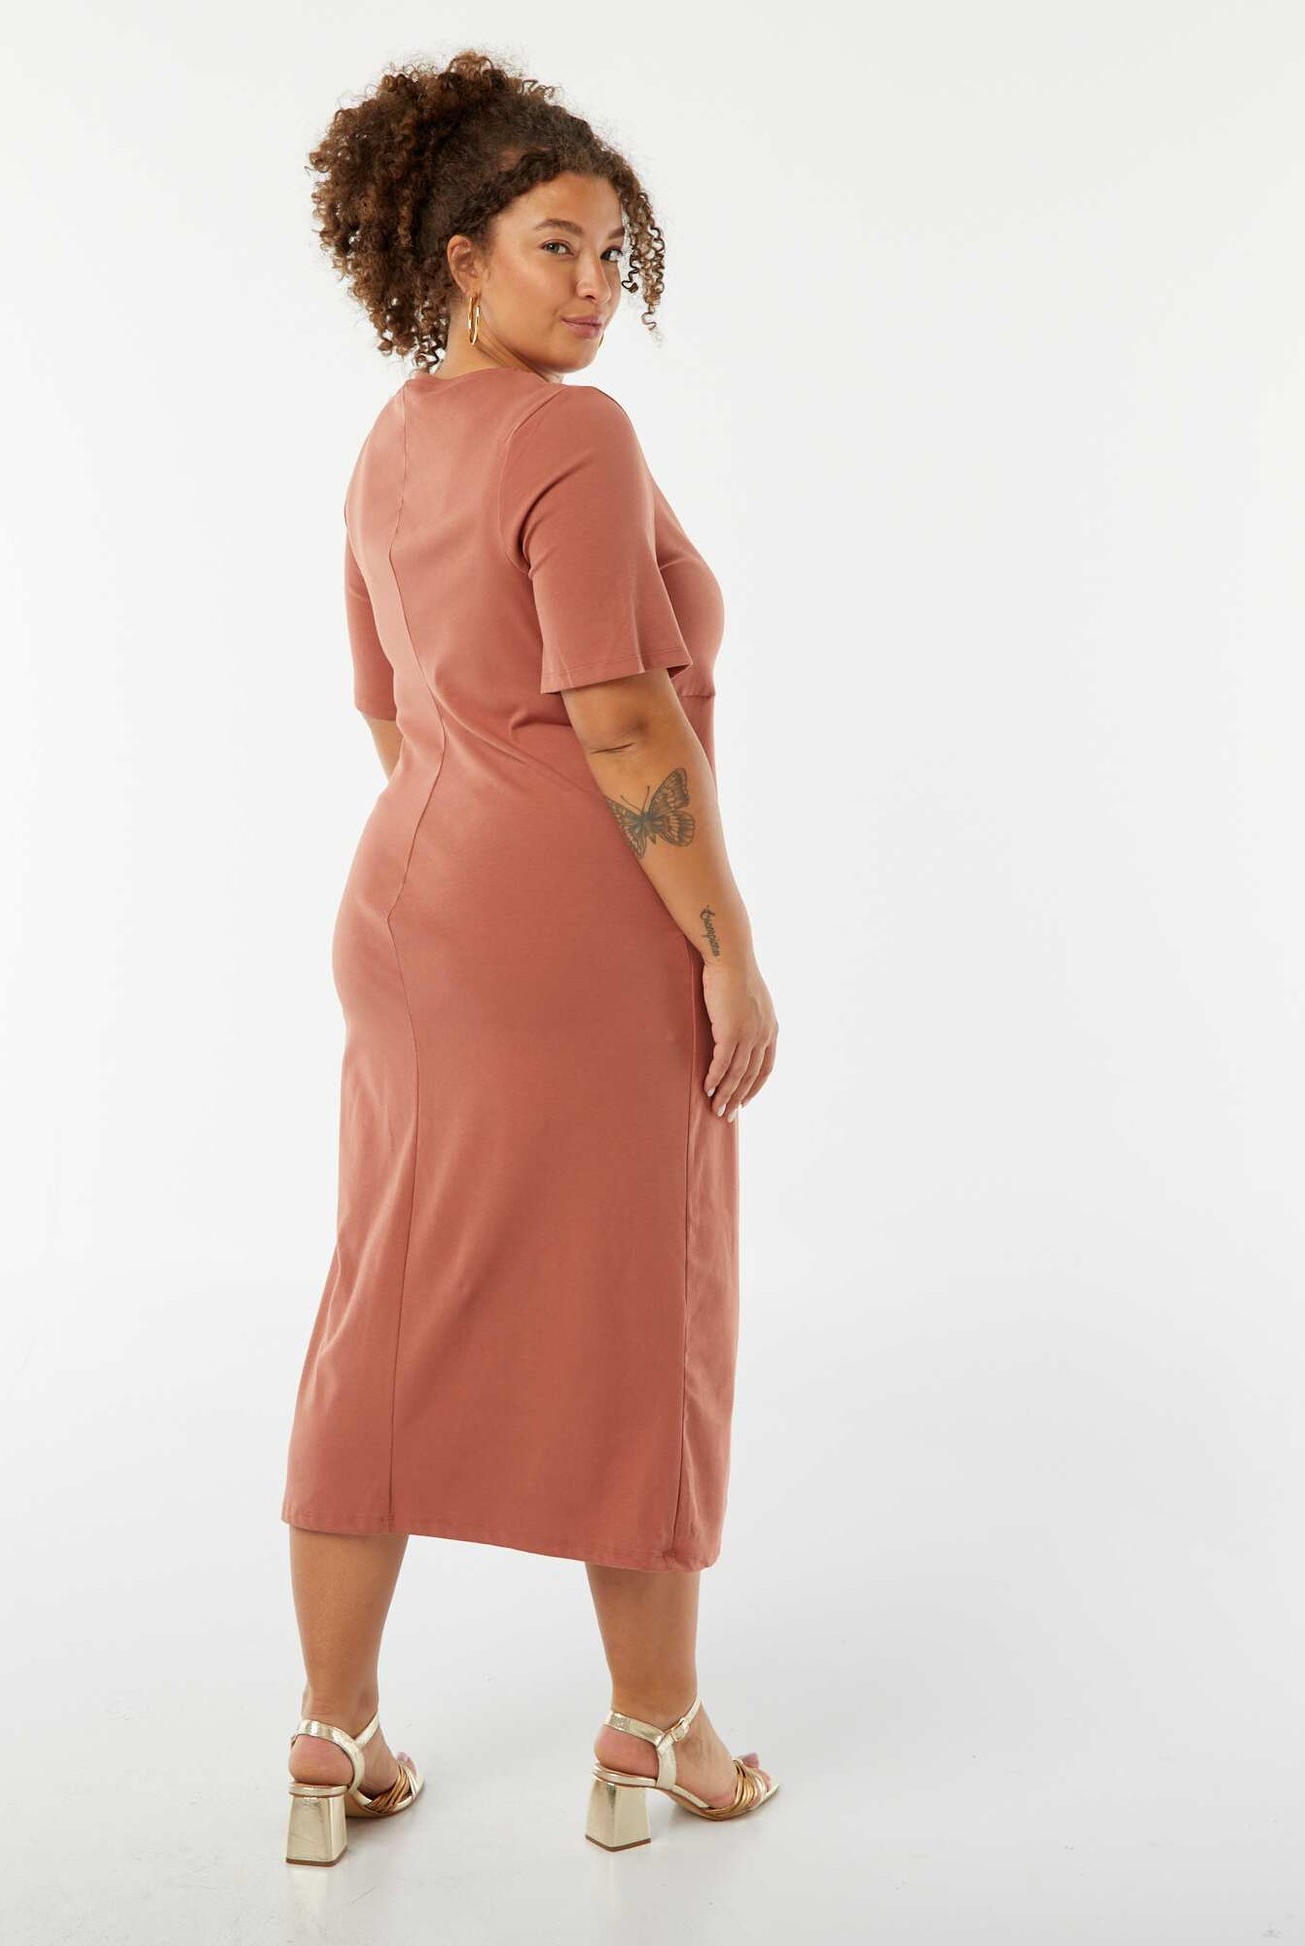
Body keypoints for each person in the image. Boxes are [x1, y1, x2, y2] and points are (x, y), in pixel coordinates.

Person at [280, 51, 781, 1865]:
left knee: (384, 1301)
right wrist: (724, 946)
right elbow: (623, 715)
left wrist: (464, 845)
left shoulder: (395, 438)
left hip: (405, 910)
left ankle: (333, 1734)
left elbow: (384, 702)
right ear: (459, 255)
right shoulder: (575, 437)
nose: (593, 285)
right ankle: (657, 1727)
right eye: (556, 246)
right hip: (575, 927)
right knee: (642, 1302)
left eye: (613, 254)